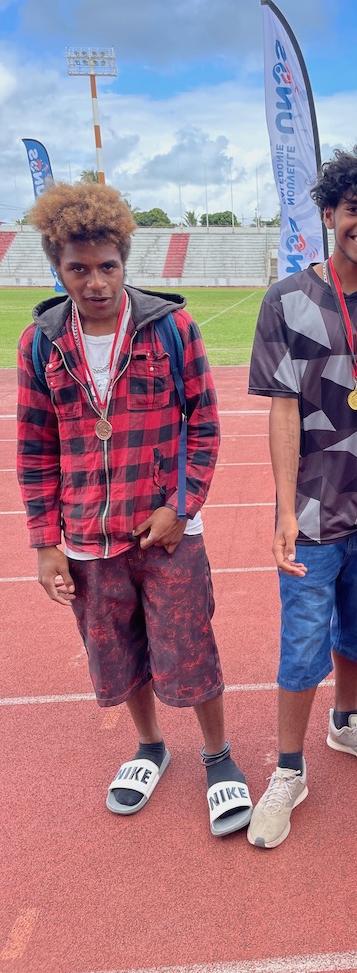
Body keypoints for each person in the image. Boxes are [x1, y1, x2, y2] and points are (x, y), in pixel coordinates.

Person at [16, 181, 252, 837]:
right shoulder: (40, 344)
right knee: (117, 653)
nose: (95, 283)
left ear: (125, 260)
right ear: (57, 267)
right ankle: (150, 748)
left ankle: (218, 755)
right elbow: (34, 450)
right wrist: (45, 543)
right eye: (78, 269)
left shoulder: (171, 329)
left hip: (167, 534)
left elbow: (205, 426)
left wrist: (181, 505)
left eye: (107, 266)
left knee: (190, 646)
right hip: (86, 538)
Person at [247, 142, 357, 849]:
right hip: (314, 512)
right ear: (329, 214)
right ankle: (288, 770)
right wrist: (283, 509)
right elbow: (282, 409)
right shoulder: (287, 301)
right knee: (301, 645)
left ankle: (346, 722)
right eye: (355, 209)